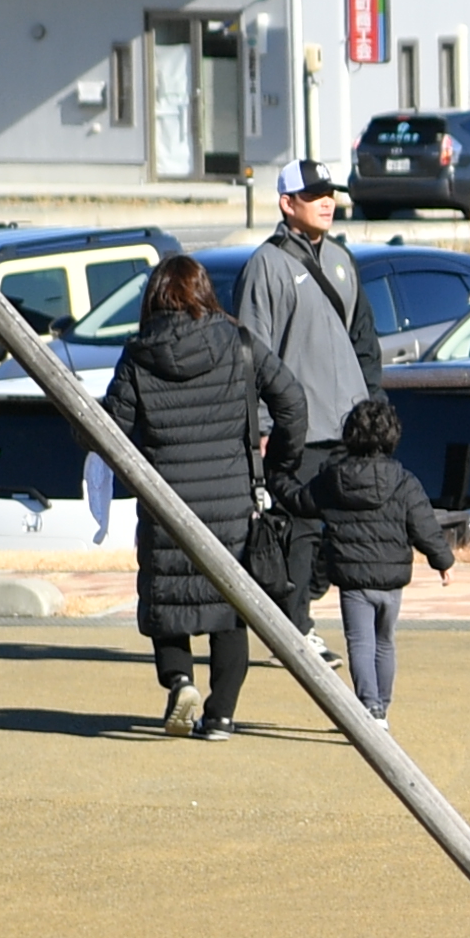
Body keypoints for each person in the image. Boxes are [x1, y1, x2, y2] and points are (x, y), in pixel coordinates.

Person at [104, 256, 301, 739]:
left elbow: (109, 431)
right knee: (230, 610)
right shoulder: (238, 342)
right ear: (204, 292)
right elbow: (293, 402)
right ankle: (221, 715)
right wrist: (277, 464)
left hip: (165, 503)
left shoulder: (138, 355)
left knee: (165, 598)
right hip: (230, 501)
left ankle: (179, 681)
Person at [285, 394, 463, 727]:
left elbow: (300, 501)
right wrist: (443, 561)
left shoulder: (333, 479)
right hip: (392, 579)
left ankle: (370, 707)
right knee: (385, 641)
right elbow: (424, 526)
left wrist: (277, 477)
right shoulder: (405, 481)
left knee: (360, 643)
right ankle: (383, 705)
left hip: (353, 578)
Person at [237, 164, 373, 463]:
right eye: (314, 196)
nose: (327, 203)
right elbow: (252, 355)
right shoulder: (265, 265)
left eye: (330, 194)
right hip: (301, 437)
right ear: (287, 204)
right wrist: (262, 427)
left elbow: (363, 343)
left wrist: (372, 406)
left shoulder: (342, 258)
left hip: (353, 432)